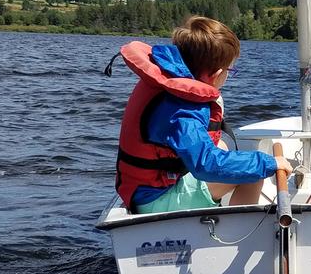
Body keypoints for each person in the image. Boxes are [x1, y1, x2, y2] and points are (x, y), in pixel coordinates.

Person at [112, 15, 293, 214]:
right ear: (215, 75)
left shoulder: (167, 77)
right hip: (154, 200)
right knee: (254, 173)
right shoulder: (183, 109)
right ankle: (237, 234)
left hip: (141, 188)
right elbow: (205, 164)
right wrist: (269, 163)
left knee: (222, 146)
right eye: (229, 71)